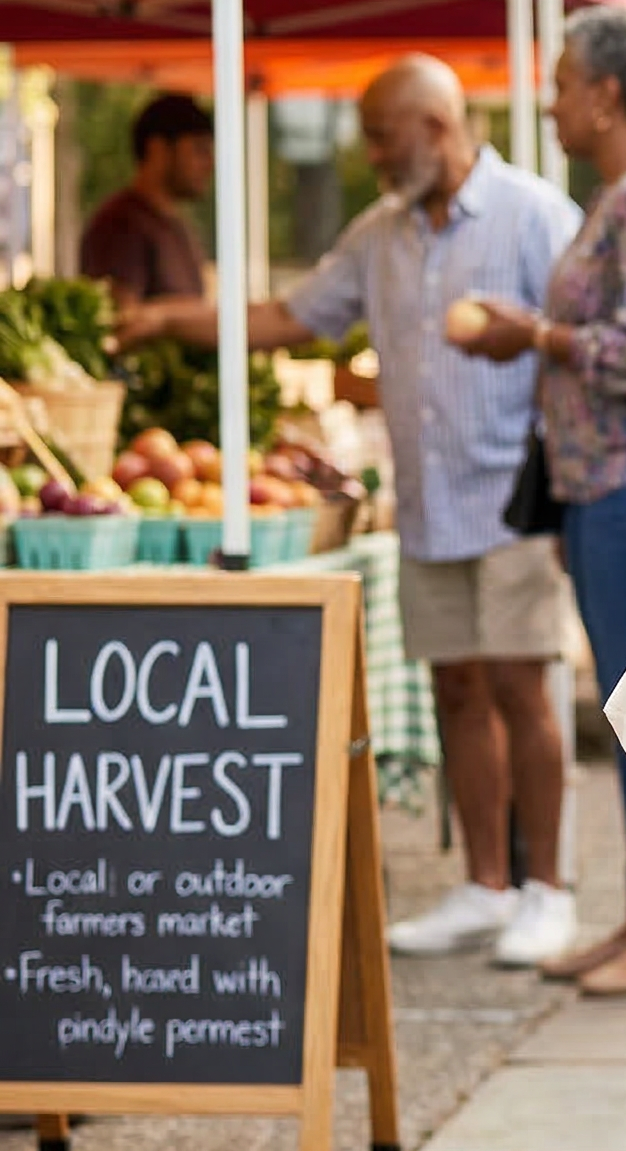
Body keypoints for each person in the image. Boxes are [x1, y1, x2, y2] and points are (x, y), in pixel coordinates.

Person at [118, 57, 584, 969]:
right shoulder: (380, 234)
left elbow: (580, 346)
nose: (369, 152)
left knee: (524, 688)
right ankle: (486, 887)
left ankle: (549, 892)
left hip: (517, 497)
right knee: (457, 686)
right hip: (426, 503)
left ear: (436, 126)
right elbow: (292, 316)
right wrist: (168, 319)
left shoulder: (535, 216)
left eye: (381, 135)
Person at [453, 8, 626, 998]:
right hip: (612, 484)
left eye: (564, 81)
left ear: (606, 95)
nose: (552, 99)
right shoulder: (624, 193)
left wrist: (532, 337)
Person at [80, 94, 214, 308]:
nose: (209, 164)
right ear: (157, 149)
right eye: (199, 150)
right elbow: (120, 320)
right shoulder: (121, 225)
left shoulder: (173, 223)